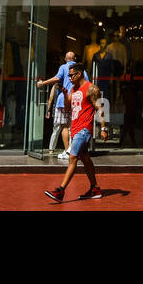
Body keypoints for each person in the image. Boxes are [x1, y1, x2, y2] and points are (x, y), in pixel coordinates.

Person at [44, 62, 108, 203]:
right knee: (85, 159)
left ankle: (60, 191)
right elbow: (68, 106)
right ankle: (95, 188)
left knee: (73, 158)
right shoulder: (73, 89)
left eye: (72, 75)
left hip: (84, 129)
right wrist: (66, 95)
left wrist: (103, 128)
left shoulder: (91, 88)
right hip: (75, 128)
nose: (70, 78)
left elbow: (101, 109)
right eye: (69, 75)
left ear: (79, 74)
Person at [35, 51, 80, 159]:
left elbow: (57, 79)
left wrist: (43, 83)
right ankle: (73, 151)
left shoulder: (63, 67)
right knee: (73, 127)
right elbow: (87, 83)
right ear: (75, 59)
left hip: (63, 101)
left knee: (64, 127)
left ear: (65, 59)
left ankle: (67, 150)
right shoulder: (80, 69)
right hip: (76, 100)